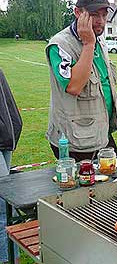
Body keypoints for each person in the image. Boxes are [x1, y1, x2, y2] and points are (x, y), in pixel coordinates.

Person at [45, 0, 117, 162]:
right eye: (94, 15)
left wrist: (115, 99)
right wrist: (88, 44)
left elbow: (102, 78)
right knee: (89, 187)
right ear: (77, 12)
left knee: (115, 180)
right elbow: (74, 87)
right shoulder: (60, 45)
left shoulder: (100, 40)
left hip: (101, 132)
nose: (101, 21)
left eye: (104, 15)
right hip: (75, 139)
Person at [0, 69, 22, 264]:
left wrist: (13, 127)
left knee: (7, 209)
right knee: (2, 211)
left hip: (5, 139)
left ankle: (12, 258)